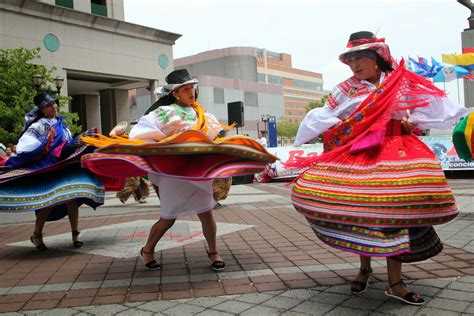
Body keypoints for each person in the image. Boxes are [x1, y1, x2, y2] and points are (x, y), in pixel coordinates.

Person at [291, 32, 467, 306]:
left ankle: (395, 282)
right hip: (362, 156)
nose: (355, 65)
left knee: (393, 216)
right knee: (362, 214)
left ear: (377, 58)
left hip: (397, 154)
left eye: (360, 58)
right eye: (351, 60)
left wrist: (411, 123)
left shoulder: (400, 82)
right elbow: (323, 119)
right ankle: (365, 269)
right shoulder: (344, 90)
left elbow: (430, 108)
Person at [80, 70, 276, 271]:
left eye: (193, 88)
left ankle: (213, 252)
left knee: (206, 212)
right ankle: (147, 250)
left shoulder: (202, 114)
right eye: (186, 89)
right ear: (175, 93)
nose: (192, 92)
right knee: (169, 216)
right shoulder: (165, 113)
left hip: (197, 171)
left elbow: (212, 139)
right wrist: (168, 141)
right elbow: (141, 135)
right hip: (173, 172)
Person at [0, 93, 105, 250]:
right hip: (48, 167)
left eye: (54, 103)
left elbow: (68, 144)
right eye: (49, 105)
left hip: (64, 165)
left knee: (72, 198)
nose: (54, 106)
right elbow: (25, 145)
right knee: (47, 201)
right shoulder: (38, 126)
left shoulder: (63, 125)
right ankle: (37, 234)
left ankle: (75, 234)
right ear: (42, 109)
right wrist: (44, 143)